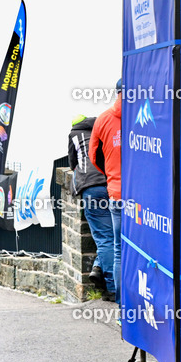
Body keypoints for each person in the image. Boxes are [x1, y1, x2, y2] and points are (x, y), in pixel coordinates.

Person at [68, 115, 113, 298]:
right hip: (114, 184)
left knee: (105, 238)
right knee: (116, 236)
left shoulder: (74, 133)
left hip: (91, 188)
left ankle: (112, 288)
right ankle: (98, 266)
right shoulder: (104, 128)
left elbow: (73, 163)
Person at [89, 80, 123, 305]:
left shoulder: (103, 119)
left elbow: (94, 156)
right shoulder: (147, 112)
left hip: (117, 193)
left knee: (117, 247)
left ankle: (122, 301)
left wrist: (112, 175)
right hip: (146, 195)